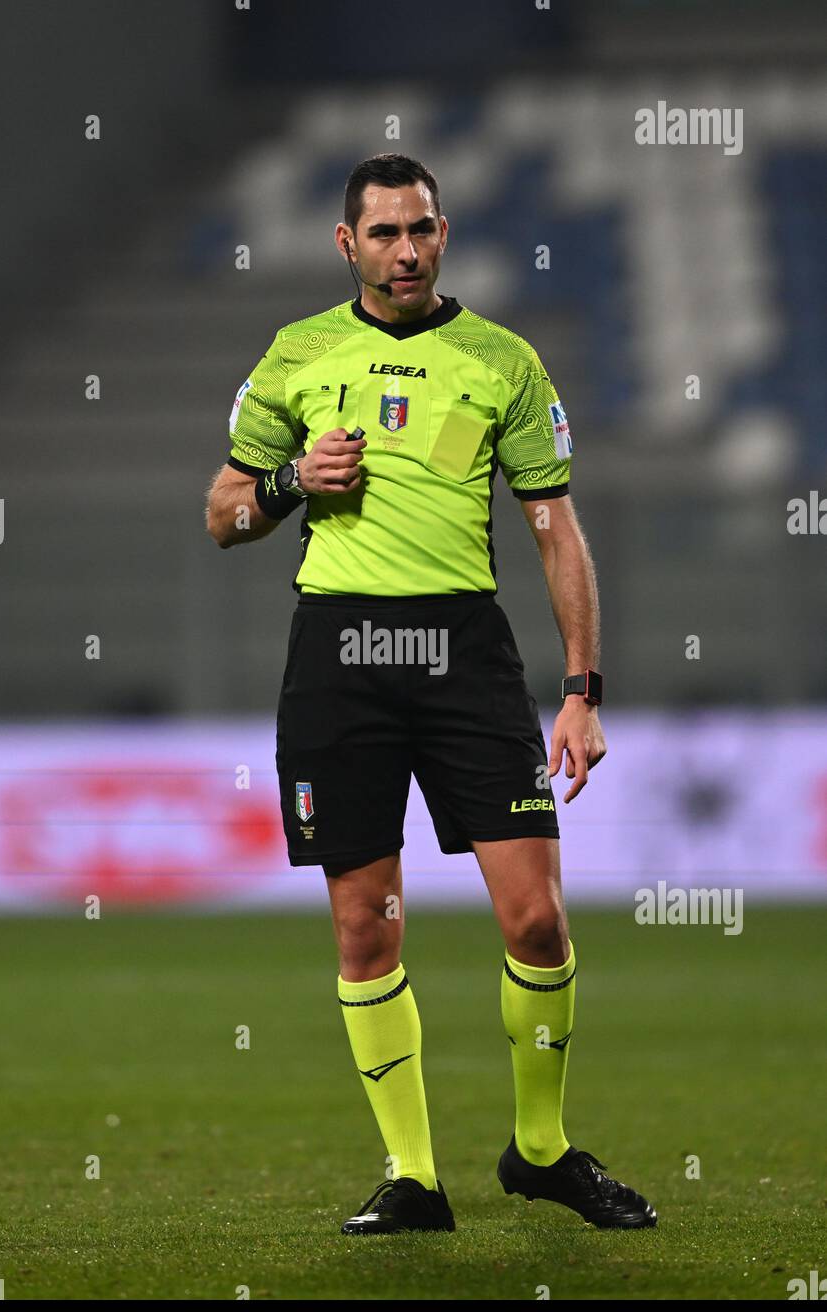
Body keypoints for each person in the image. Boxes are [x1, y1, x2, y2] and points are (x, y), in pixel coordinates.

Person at [206, 153, 656, 1235]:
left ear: (443, 234)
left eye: (420, 230)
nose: (404, 251)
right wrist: (285, 483)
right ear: (345, 244)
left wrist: (582, 689)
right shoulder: (297, 355)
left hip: (463, 653)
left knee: (536, 917)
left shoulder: (501, 362)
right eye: (383, 234)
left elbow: (556, 530)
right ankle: (412, 1177)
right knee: (366, 928)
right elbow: (223, 513)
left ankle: (539, 1149)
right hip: (338, 658)